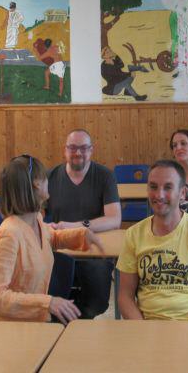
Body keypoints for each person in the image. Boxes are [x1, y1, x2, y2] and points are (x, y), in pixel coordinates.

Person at [0, 154, 104, 323]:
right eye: (45, 178)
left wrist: (82, 234)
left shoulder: (36, 219)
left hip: (31, 323)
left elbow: (51, 237)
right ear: (37, 184)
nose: (48, 182)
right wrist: (47, 303)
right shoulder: (9, 234)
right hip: (6, 328)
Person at [117, 159, 188, 320]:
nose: (159, 195)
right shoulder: (133, 235)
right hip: (148, 327)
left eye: (168, 187)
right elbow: (125, 297)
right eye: (153, 187)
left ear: (182, 193)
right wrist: (142, 329)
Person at [45, 129, 121, 319]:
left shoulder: (105, 176)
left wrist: (77, 226)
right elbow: (35, 215)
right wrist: (46, 226)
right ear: (65, 150)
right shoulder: (50, 177)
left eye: (83, 148)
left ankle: (77, 321)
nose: (78, 153)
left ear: (91, 150)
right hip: (59, 252)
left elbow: (114, 219)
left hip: (93, 253)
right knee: (49, 294)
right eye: (72, 148)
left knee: (97, 302)